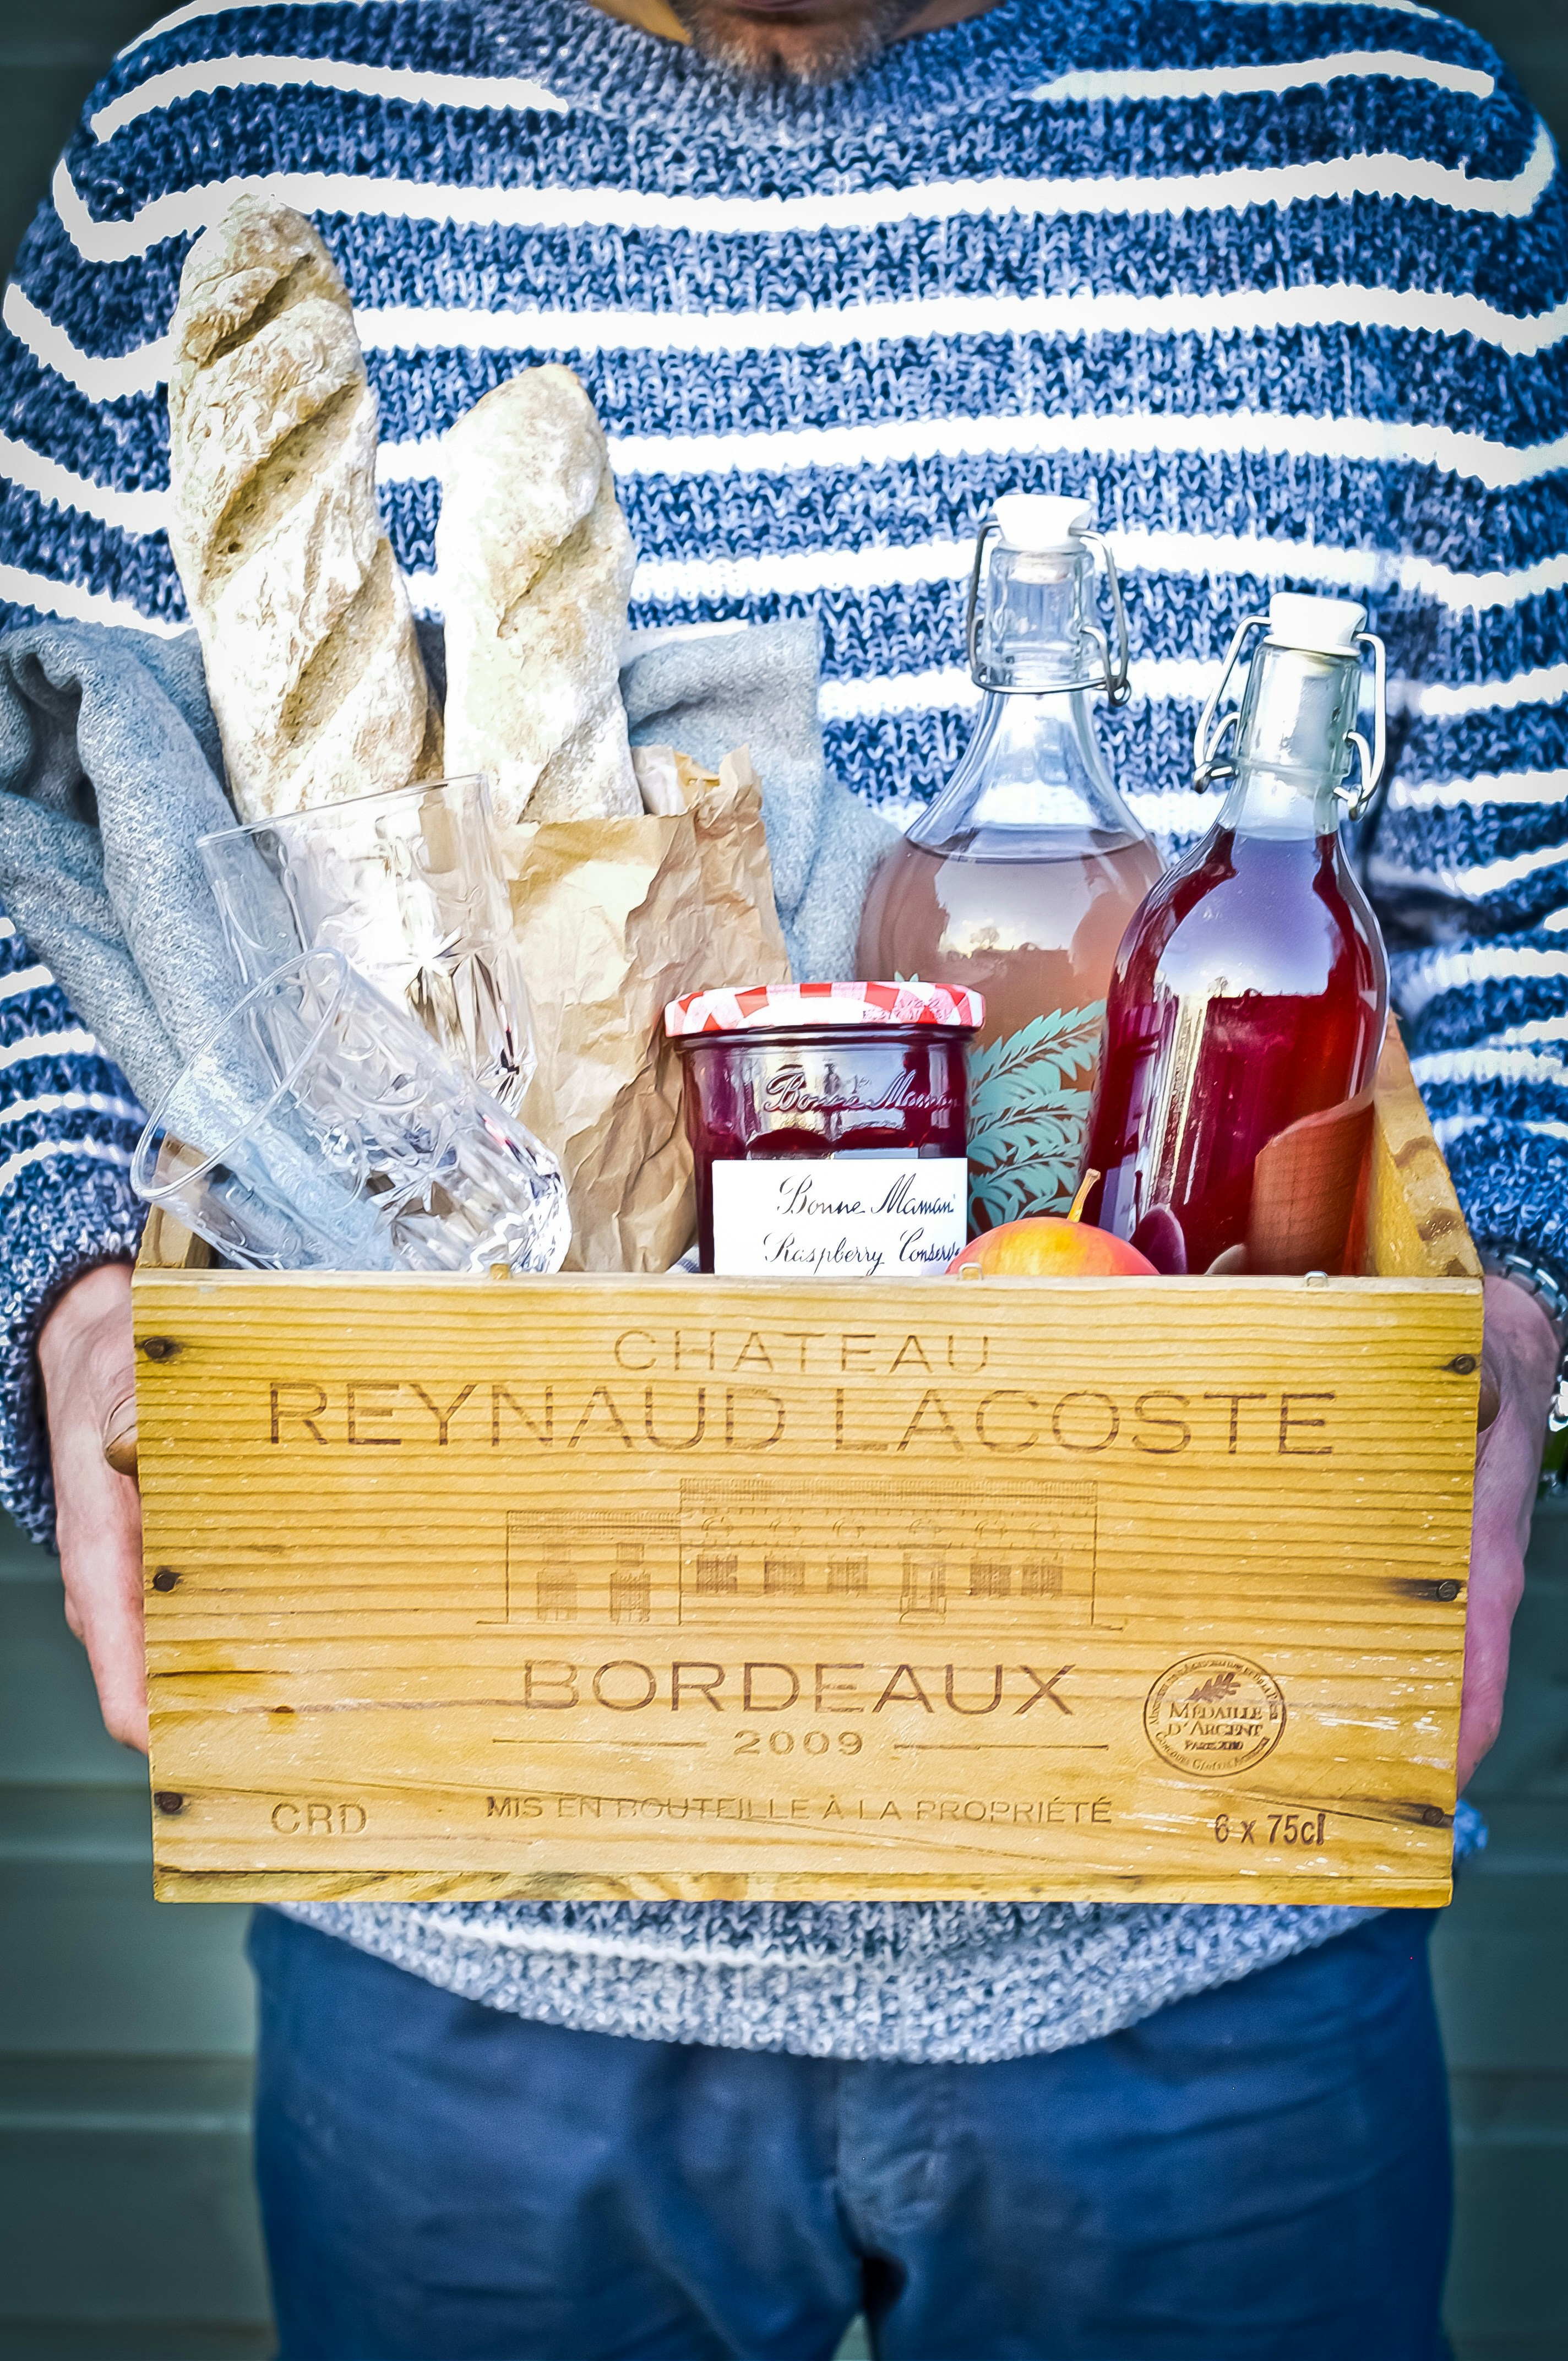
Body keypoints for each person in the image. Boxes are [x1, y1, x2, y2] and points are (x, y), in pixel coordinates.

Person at [3, 0, 1566, 2350]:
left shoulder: (1401, 154)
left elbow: (1522, 918)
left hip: (1211, 1889)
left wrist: (1511, 1307)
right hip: (463, 1918)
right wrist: (74, 1286)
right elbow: (43, 852)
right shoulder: (218, 137)